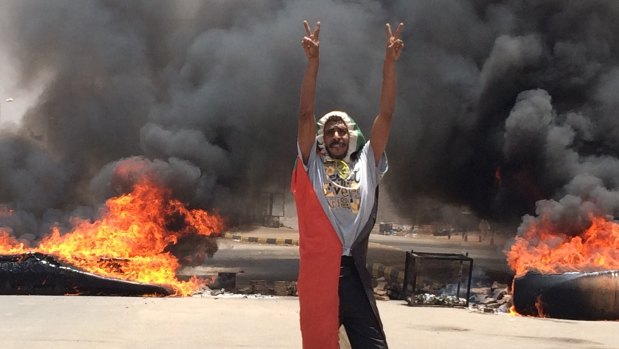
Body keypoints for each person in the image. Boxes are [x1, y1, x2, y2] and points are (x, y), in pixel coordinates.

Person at [291, 20, 404, 349]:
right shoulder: (312, 164)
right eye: (330, 131)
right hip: (318, 274)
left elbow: (386, 114)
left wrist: (389, 65)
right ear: (321, 140)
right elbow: (305, 114)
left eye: (343, 130)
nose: (337, 135)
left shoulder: (368, 163)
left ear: (353, 135)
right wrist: (313, 65)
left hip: (353, 272)